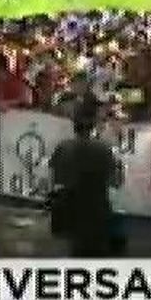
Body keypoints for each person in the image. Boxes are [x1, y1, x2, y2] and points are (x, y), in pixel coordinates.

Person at [48, 102, 123, 258]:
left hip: (69, 214)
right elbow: (116, 182)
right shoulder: (105, 149)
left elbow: (55, 179)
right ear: (94, 126)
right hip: (97, 213)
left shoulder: (63, 147)